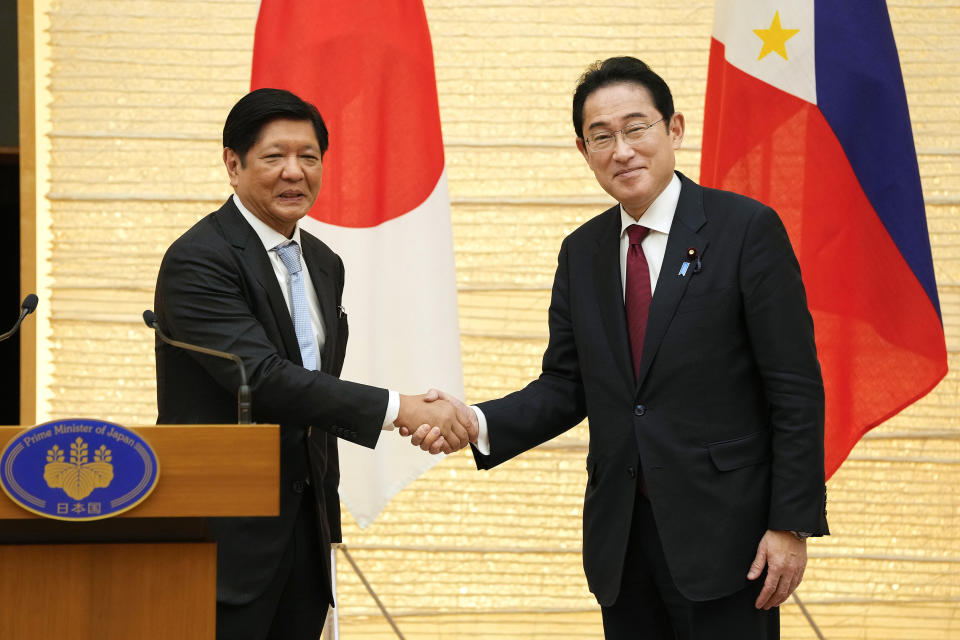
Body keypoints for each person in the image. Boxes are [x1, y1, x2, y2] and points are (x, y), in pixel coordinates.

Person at [406, 57, 828, 639]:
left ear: (674, 129)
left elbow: (795, 388)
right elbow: (567, 385)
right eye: (601, 137)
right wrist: (473, 420)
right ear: (584, 151)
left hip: (729, 539)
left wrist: (792, 524)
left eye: (636, 128)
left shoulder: (745, 230)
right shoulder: (582, 251)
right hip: (623, 540)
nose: (621, 150)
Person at [153, 88, 469, 640]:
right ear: (233, 163)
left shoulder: (323, 262)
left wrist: (327, 525)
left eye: (309, 157)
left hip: (305, 533)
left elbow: (316, 390)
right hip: (223, 542)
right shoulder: (199, 259)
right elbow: (266, 378)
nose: (294, 172)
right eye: (274, 156)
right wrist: (400, 409)